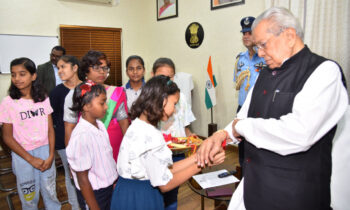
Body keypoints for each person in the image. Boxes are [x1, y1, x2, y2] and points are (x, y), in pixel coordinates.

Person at [196, 7, 348, 210]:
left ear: (289, 36)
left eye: (263, 44)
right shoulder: (265, 73)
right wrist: (222, 134)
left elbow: (300, 133)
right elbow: (242, 116)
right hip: (255, 189)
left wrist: (241, 128)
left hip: (295, 197)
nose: (259, 52)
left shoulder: (324, 72)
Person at [110, 75, 225, 210]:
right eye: (174, 104)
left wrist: (197, 157)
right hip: (141, 198)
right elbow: (165, 184)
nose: (175, 110)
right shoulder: (151, 135)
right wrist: (205, 163)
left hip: (126, 193)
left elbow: (164, 169)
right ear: (162, 100)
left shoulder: (138, 125)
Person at [0, 57, 61, 209]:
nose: (17, 78)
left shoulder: (43, 98)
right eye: (13, 75)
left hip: (45, 150)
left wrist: (51, 155)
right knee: (29, 195)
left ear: (33, 76)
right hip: (23, 154)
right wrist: (30, 159)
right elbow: (7, 137)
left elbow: (50, 129)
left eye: (22, 74)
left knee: (50, 190)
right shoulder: (8, 102)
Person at [64, 50, 129, 162]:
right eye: (96, 68)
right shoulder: (76, 94)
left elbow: (124, 123)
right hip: (86, 150)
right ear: (85, 70)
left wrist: (129, 149)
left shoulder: (117, 92)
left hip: (115, 150)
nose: (102, 72)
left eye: (105, 68)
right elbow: (69, 127)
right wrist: (72, 159)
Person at [152, 57, 197, 210]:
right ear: (152, 75)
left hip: (177, 152)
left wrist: (192, 139)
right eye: (161, 76)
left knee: (172, 193)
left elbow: (185, 126)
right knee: (157, 193)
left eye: (170, 77)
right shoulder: (149, 101)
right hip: (156, 153)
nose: (166, 81)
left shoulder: (181, 97)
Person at [66, 81, 117, 210]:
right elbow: (83, 180)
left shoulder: (99, 125)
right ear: (86, 106)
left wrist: (113, 181)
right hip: (93, 194)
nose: (106, 107)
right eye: (102, 103)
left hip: (107, 189)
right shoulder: (81, 136)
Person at [49, 55, 81, 209]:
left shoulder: (87, 88)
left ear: (75, 68)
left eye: (63, 67)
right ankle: (75, 205)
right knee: (71, 175)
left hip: (85, 138)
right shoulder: (56, 92)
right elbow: (52, 120)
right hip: (64, 140)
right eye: (58, 67)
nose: (60, 71)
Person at [234, 16, 265, 170]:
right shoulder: (240, 59)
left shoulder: (266, 57)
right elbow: (237, 82)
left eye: (249, 33)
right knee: (242, 145)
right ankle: (243, 174)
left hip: (259, 109)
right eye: (244, 33)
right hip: (242, 108)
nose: (246, 36)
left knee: (258, 145)